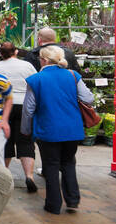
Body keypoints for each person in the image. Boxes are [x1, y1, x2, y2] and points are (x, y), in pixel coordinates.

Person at [21, 44, 95, 214]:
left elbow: (28, 109)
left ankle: (53, 205)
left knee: (51, 165)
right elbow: (88, 98)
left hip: (48, 130)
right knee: (69, 163)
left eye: (40, 58)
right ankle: (73, 201)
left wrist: (26, 129)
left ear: (45, 60)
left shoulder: (36, 79)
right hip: (72, 130)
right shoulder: (72, 75)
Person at [0, 41, 38, 193]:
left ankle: (4, 178)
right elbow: (36, 84)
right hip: (24, 106)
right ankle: (29, 176)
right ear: (16, 52)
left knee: (5, 142)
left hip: (3, 107)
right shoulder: (27, 66)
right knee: (25, 141)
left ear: (1, 53)